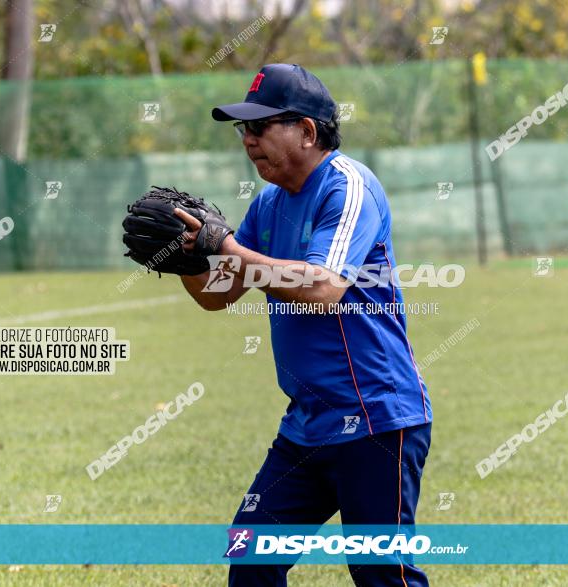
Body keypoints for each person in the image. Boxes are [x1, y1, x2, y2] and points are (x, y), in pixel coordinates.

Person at [174, 63, 432, 586]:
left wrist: (224, 245)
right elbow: (217, 294)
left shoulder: (347, 186)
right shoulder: (268, 204)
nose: (247, 140)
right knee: (250, 560)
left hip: (375, 419)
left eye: (259, 126)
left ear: (307, 131)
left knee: (383, 577)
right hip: (306, 427)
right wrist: (184, 260)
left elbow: (322, 287)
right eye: (241, 129)